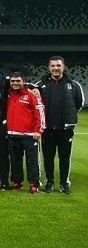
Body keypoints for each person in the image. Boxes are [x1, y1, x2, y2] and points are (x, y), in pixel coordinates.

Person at [34, 56, 84, 194]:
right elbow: (35, 104)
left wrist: (68, 116)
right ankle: (49, 182)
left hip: (65, 129)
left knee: (65, 158)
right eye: (53, 66)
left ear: (63, 67)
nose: (55, 68)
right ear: (49, 67)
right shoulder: (40, 84)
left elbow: (79, 104)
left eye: (58, 66)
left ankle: (64, 183)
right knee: (48, 158)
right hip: (48, 128)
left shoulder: (73, 85)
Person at [6, 72, 46, 194]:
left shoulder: (31, 94)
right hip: (12, 134)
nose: (15, 83)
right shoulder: (8, 94)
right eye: (13, 81)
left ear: (24, 81)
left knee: (32, 161)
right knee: (15, 160)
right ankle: (17, 181)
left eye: (18, 81)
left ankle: (34, 183)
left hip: (29, 135)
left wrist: (38, 130)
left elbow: (40, 112)